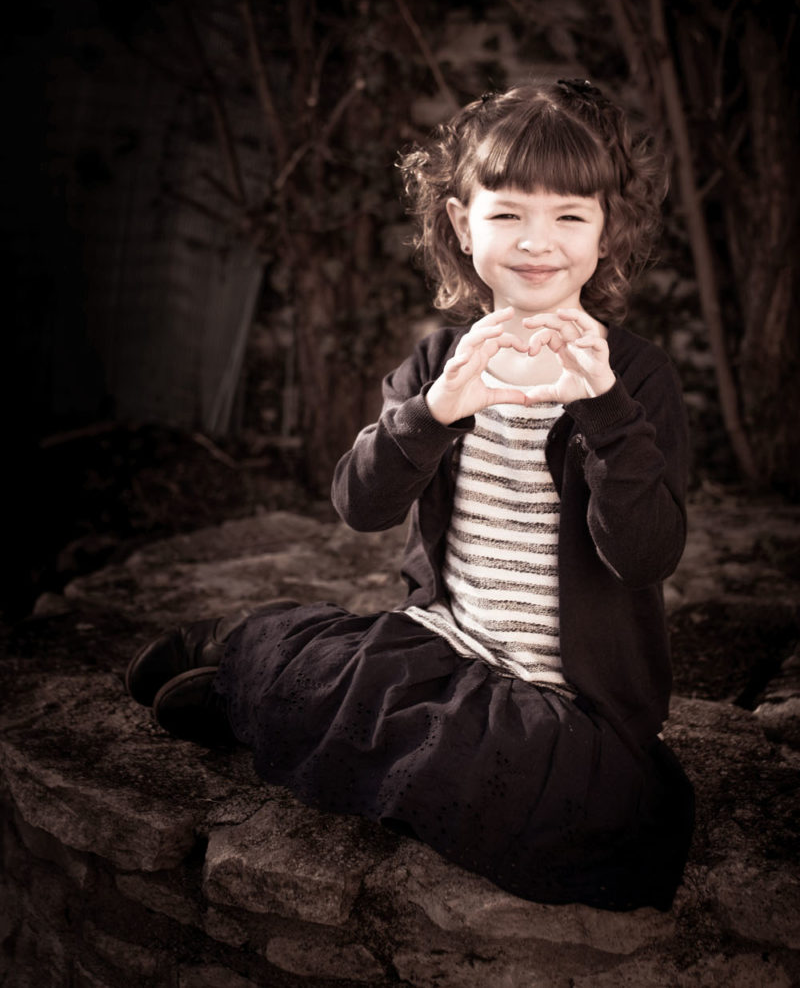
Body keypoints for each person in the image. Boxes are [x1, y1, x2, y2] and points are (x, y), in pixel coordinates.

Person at [125, 78, 694, 912]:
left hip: (566, 701)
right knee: (357, 672)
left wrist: (604, 411)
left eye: (570, 215)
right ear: (464, 225)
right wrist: (430, 415)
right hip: (441, 648)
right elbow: (360, 506)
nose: (539, 242)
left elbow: (646, 554)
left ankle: (262, 695)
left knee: (592, 806)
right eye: (508, 214)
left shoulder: (638, 378)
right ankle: (240, 657)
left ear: (609, 229)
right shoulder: (441, 364)